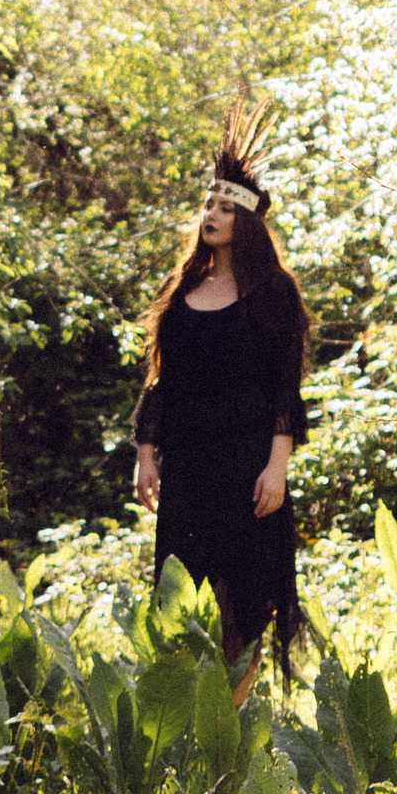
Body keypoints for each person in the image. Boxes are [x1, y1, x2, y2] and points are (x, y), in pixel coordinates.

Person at [130, 113, 314, 694]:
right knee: (179, 604)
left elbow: (287, 384)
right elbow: (165, 378)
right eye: (209, 204)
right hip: (188, 470)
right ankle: (183, 726)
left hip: (248, 471)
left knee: (245, 606)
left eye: (226, 207)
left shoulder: (274, 292)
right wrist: (145, 452)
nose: (211, 215)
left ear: (250, 222)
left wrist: (277, 467)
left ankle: (230, 723)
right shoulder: (184, 289)